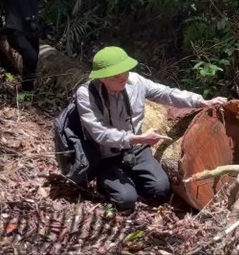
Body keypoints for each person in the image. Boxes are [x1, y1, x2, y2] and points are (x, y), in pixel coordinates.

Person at [76, 46, 227, 210]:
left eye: (125, 72)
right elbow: (100, 133)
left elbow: (166, 93)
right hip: (106, 155)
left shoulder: (135, 81)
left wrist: (200, 101)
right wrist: (136, 138)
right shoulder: (86, 94)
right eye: (116, 76)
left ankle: (130, 182)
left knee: (161, 190)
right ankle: (109, 184)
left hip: (135, 149)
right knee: (126, 201)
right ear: (103, 78)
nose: (123, 78)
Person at [0, 0, 55, 92]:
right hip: (14, 29)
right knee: (30, 56)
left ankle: (28, 89)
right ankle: (27, 89)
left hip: (31, 29)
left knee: (32, 59)